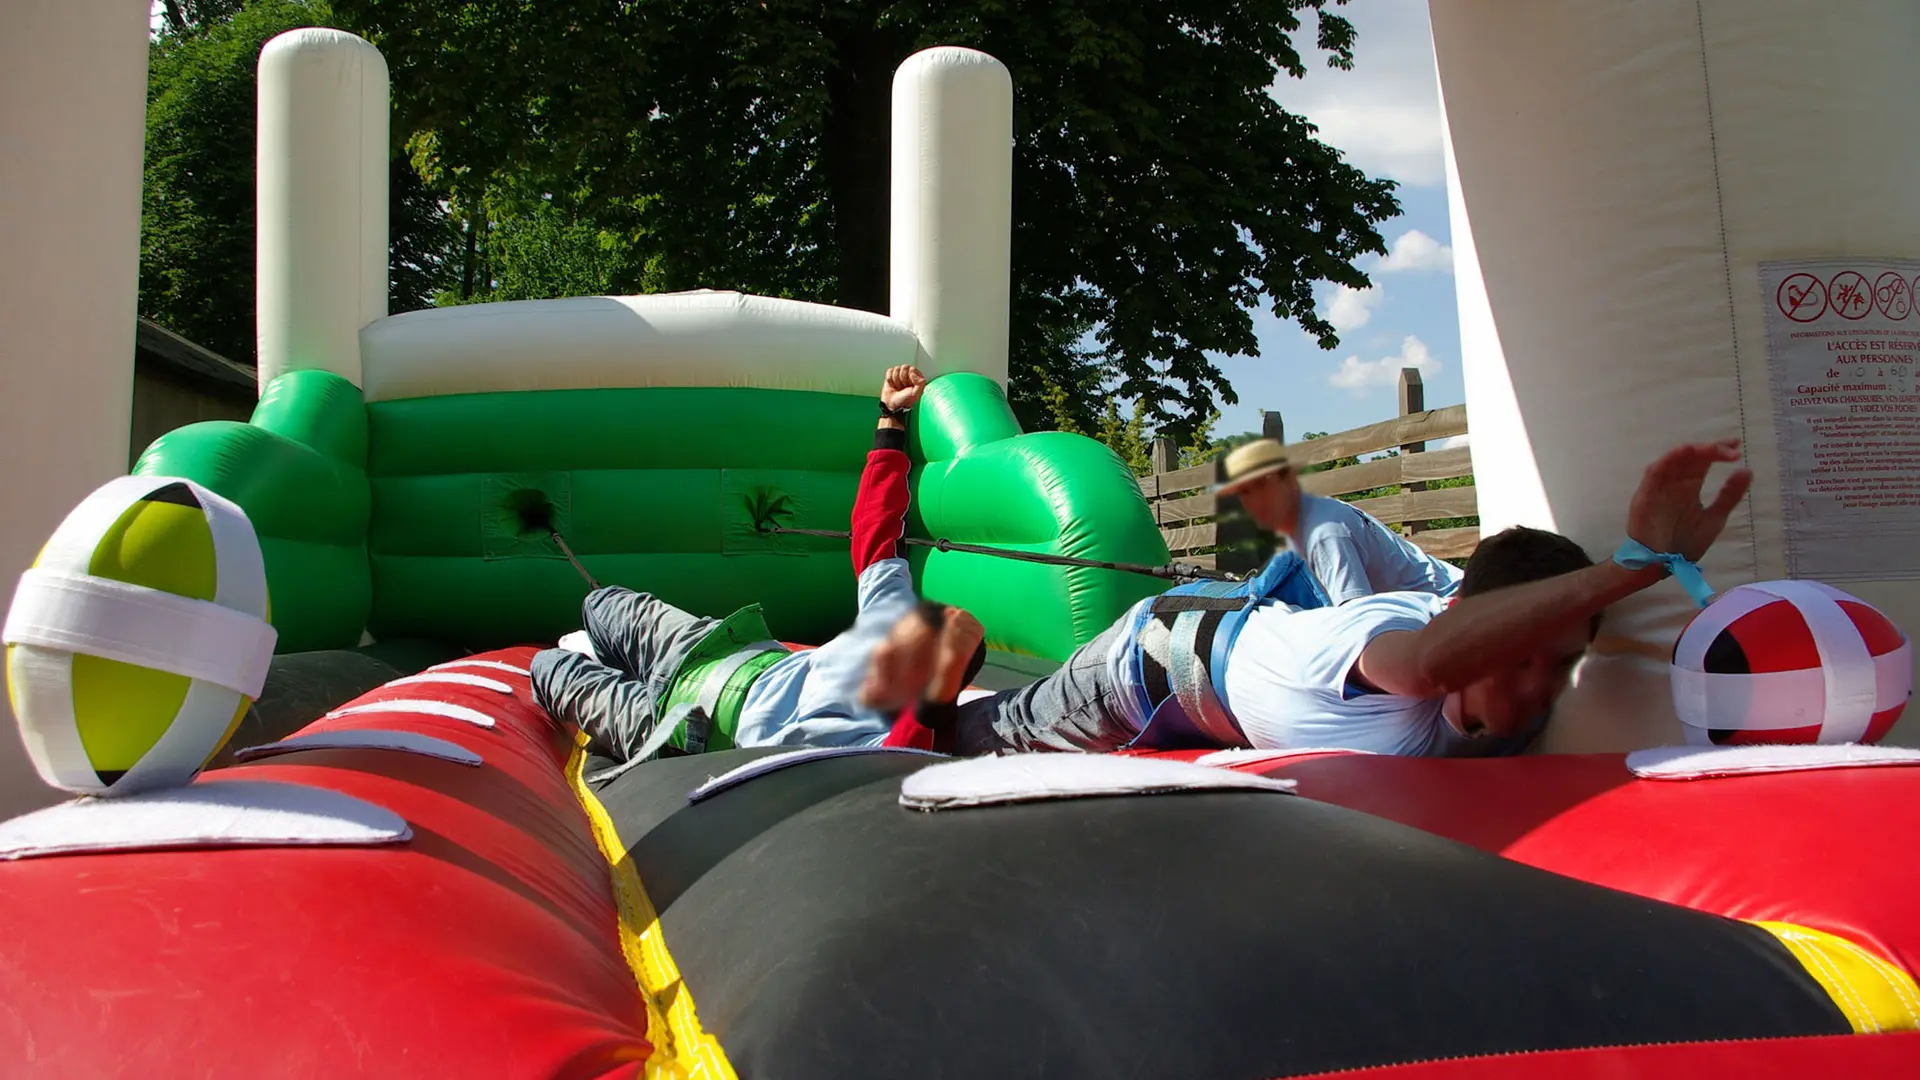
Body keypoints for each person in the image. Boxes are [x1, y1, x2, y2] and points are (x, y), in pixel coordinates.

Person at [941, 440, 1753, 758]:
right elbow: (1426, 664)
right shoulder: (1407, 643)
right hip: (1155, 660)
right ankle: (924, 691)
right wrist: (1640, 568)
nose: (1540, 687)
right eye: (1520, 655)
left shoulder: (1517, 723)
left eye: (1562, 664)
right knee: (975, 739)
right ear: (1463, 620)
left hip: (1242, 650)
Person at [530, 365, 987, 763]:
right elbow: (875, 529)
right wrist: (891, 418)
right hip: (711, 650)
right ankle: (615, 657)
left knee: (549, 669)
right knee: (603, 603)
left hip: (684, 727)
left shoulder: (877, 736)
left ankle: (609, 671)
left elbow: (901, 753)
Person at [1215, 438, 1462, 605]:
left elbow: (1358, 622)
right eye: (1243, 493)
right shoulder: (1309, 519)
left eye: (1261, 487)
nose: (1252, 502)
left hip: (1449, 609)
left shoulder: (1324, 534)